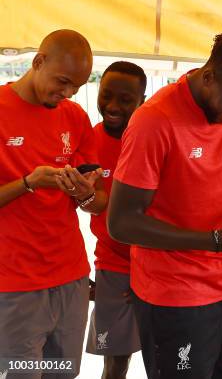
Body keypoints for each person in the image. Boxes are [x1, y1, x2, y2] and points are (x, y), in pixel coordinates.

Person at [107, 28, 222, 379]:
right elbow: (122, 222)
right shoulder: (154, 121)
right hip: (171, 294)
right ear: (208, 77)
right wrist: (217, 241)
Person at [0, 29, 107, 379]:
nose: (68, 94)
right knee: (24, 373)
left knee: (62, 372)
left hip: (70, 277)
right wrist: (29, 183)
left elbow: (96, 202)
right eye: (62, 82)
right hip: (15, 283)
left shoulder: (74, 116)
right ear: (38, 61)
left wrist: (83, 191)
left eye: (77, 86)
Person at [84, 61, 147, 379]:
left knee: (167, 357)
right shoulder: (88, 141)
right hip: (112, 266)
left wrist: (148, 270)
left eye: (125, 99)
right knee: (115, 361)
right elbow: (88, 206)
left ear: (142, 101)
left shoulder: (151, 140)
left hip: (157, 266)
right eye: (106, 95)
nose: (112, 106)